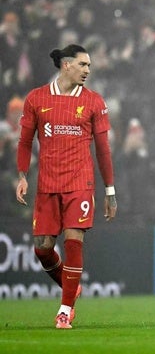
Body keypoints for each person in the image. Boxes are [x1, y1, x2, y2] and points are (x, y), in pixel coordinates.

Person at [15, 44, 117, 329]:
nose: (87, 70)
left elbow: (104, 151)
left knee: (74, 242)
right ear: (66, 65)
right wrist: (22, 176)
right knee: (42, 248)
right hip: (47, 184)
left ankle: (65, 309)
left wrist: (109, 191)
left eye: (89, 66)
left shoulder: (94, 101)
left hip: (79, 184)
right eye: (83, 65)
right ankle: (70, 286)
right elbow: (24, 142)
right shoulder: (36, 98)